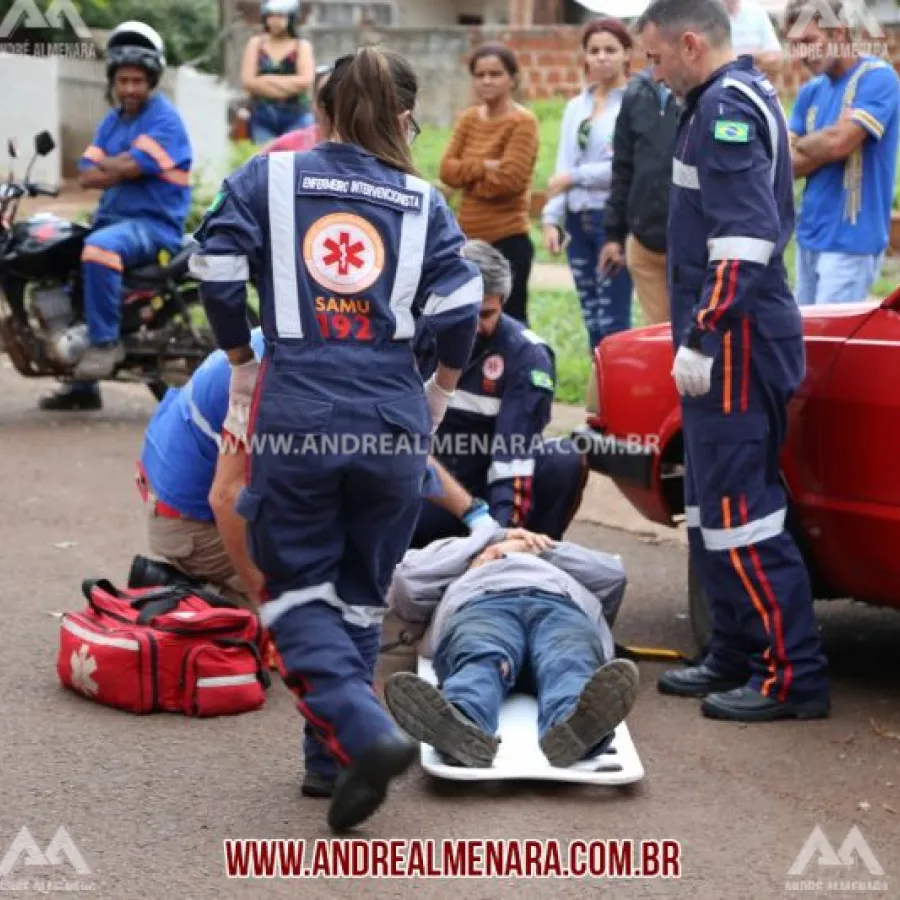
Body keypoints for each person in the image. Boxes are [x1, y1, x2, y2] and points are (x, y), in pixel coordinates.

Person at [189, 48, 483, 831]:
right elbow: (461, 305)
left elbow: (215, 264)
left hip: (302, 413)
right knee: (359, 593)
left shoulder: (271, 176)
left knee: (296, 591)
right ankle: (333, 764)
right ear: (400, 119)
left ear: (322, 109)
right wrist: (439, 396)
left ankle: (360, 731)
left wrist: (241, 359)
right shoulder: (425, 201)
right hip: (393, 418)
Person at [637, 0, 830, 722]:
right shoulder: (716, 99)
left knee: (743, 510)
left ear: (690, 44)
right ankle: (737, 651)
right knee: (711, 506)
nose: (651, 76)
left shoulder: (725, 111)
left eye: (654, 59)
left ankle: (792, 675)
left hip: (737, 339)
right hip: (728, 338)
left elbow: (745, 240)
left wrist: (703, 333)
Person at [383, 521, 639, 769]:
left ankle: (578, 728)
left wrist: (541, 549)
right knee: (483, 658)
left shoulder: (554, 561)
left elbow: (613, 575)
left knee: (567, 660)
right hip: (482, 603)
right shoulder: (463, 562)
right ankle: (461, 723)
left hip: (559, 605)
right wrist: (493, 540)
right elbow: (407, 578)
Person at [40, 21, 192, 410]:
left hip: (153, 226)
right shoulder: (112, 121)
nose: (128, 89)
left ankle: (105, 344)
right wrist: (117, 165)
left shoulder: (164, 120)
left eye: (137, 81)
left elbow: (121, 168)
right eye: (122, 80)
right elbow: (87, 173)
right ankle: (82, 385)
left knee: (99, 250)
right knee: (64, 256)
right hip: (114, 222)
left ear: (152, 80)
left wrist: (116, 166)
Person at [411, 240, 589, 549]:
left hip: (488, 480)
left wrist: (502, 537)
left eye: (485, 314)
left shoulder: (526, 356)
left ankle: (526, 557)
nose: (473, 326)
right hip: (427, 482)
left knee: (563, 460)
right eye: (464, 314)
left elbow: (513, 457)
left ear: (503, 302)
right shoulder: (414, 336)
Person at [785, 0, 900, 305]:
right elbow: (784, 163)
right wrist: (825, 141)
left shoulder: (878, 78)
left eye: (809, 41)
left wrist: (805, 143)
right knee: (807, 340)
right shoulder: (811, 90)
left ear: (839, 34)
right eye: (795, 44)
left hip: (851, 242)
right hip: (809, 235)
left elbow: (839, 143)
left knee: (830, 343)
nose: (803, 53)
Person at [541, 18, 635, 353]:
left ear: (627, 54)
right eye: (594, 50)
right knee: (591, 317)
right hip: (577, 222)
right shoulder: (575, 107)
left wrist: (577, 177)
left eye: (610, 49)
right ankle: (602, 396)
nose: (602, 57)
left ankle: (621, 397)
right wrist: (552, 218)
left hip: (613, 222)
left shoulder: (634, 103)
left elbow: (627, 166)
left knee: (613, 319)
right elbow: (562, 165)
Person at [439, 44, 540, 324]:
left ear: (512, 78)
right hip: (467, 240)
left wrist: (467, 176)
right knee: (466, 319)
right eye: (480, 74)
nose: (487, 80)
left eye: (495, 74)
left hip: (508, 239)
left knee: (509, 320)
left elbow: (508, 181)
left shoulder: (523, 122)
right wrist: (486, 165)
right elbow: (446, 170)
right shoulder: (469, 119)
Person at [600, 33, 680, 327]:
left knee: (695, 338)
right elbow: (623, 169)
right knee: (659, 335)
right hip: (644, 243)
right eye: (651, 57)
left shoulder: (706, 93)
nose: (655, 66)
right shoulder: (636, 94)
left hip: (693, 243)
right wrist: (613, 235)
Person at [240, 0, 315, 144]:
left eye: (280, 16)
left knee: (296, 160)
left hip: (296, 114)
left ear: (291, 17)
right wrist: (289, 85)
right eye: (270, 16)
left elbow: (305, 81)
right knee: (263, 160)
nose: (274, 21)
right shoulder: (256, 44)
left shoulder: (301, 46)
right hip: (262, 115)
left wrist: (265, 80)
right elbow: (248, 81)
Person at [259, 63, 334, 154]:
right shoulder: (292, 142)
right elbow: (253, 164)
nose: (328, 103)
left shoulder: (354, 145)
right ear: (313, 102)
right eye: (322, 96)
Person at [723, 0, 784, 80]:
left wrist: (742, 58)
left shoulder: (756, 12)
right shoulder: (709, 14)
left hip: (754, 82)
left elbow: (775, 56)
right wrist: (753, 57)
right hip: (721, 83)